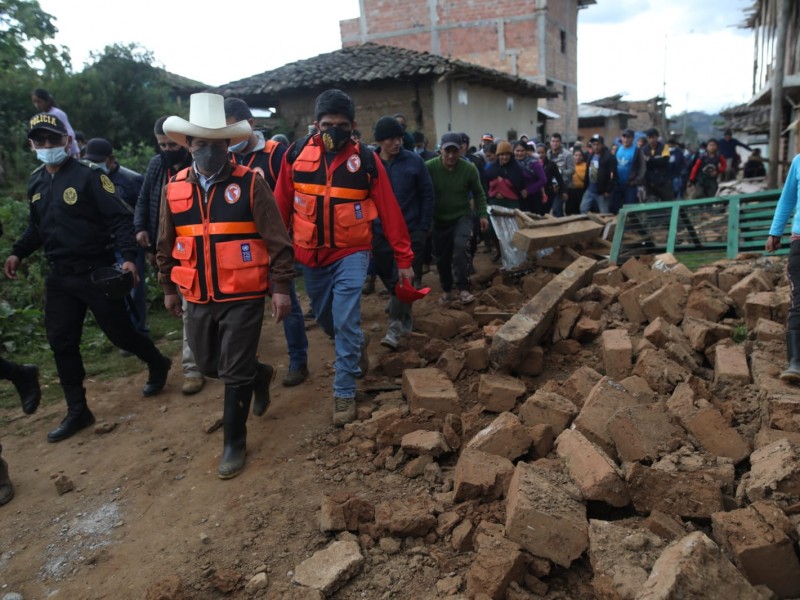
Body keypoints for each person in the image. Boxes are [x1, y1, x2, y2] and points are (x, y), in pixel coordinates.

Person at [4, 113, 172, 443]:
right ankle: (78, 410)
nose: (48, 146)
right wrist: (18, 252)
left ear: (67, 141)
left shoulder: (89, 177)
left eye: (54, 139)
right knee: (61, 342)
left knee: (121, 334)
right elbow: (36, 227)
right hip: (60, 277)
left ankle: (157, 362)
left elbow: (120, 218)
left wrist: (128, 260)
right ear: (32, 145)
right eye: (41, 141)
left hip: (96, 272)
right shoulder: (36, 181)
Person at [157, 93, 294, 478]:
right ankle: (259, 373)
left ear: (227, 145)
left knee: (232, 374)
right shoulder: (175, 187)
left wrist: (280, 286)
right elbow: (165, 241)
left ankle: (234, 443)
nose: (209, 151)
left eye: (217, 145)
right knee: (208, 364)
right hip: (197, 293)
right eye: (201, 144)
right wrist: (168, 286)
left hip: (244, 293)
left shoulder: (251, 183)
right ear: (189, 146)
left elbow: (278, 240)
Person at [273, 89, 414, 427]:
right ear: (314, 124)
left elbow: (390, 211)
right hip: (310, 255)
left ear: (352, 126)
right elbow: (279, 209)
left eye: (340, 125)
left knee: (346, 316)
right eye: (326, 125)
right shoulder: (294, 156)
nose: (332, 131)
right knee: (327, 320)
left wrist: (404, 258)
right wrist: (276, 261)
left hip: (352, 251)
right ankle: (355, 343)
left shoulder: (366, 160)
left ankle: (344, 391)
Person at [224, 97, 309, 387]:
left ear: (249, 124)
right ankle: (251, 367)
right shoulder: (226, 159)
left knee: (287, 304)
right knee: (243, 312)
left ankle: (298, 360)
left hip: (274, 247)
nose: (228, 138)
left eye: (232, 130)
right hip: (240, 250)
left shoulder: (276, 154)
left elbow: (295, 194)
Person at [134, 117, 205, 395]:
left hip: (197, 247)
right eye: (161, 145)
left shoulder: (198, 164)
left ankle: (212, 358)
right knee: (188, 310)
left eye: (170, 144)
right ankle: (192, 368)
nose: (166, 149)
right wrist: (141, 228)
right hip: (168, 247)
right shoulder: (156, 165)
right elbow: (144, 199)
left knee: (199, 306)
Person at [371, 116, 435, 349]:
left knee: (404, 276)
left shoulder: (414, 162)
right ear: (380, 141)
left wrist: (423, 227)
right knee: (387, 274)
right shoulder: (370, 164)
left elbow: (427, 195)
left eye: (399, 138)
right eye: (391, 139)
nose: (397, 143)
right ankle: (401, 306)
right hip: (379, 232)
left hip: (410, 231)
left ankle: (395, 324)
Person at [84, 138, 148, 336]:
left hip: (128, 242)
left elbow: (144, 209)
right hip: (104, 243)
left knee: (133, 286)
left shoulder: (131, 180)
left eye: (99, 160)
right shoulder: (88, 179)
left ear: (110, 159)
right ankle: (124, 331)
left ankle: (138, 330)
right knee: (110, 289)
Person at [426, 132, 488, 304]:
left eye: (455, 151)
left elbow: (479, 193)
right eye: (448, 151)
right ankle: (447, 290)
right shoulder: (430, 167)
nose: (451, 156)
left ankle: (463, 288)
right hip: (439, 219)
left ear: (461, 150)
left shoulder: (469, 169)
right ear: (441, 151)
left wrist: (483, 215)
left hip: (462, 216)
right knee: (442, 256)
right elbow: (421, 192)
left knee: (461, 249)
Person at [766, 152, 800, 382]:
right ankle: (795, 362)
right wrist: (775, 231)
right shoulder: (799, 161)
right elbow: (787, 198)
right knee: (799, 299)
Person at [31, 89, 81, 158]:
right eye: (34, 102)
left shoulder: (57, 113)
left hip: (68, 151)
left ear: (47, 101)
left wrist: (66, 147)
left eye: (39, 102)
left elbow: (70, 132)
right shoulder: (42, 116)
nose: (37, 105)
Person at [610, 129, 645, 214]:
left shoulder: (637, 151)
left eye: (628, 137)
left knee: (629, 209)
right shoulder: (618, 149)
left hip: (630, 185)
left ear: (632, 138)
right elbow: (613, 164)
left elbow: (642, 168)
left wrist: (635, 181)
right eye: (624, 137)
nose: (626, 139)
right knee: (614, 207)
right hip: (617, 183)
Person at [579, 134, 616, 214]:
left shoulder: (609, 157)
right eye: (594, 144)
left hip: (602, 192)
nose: (595, 147)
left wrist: (608, 190)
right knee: (583, 208)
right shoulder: (591, 156)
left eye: (598, 144)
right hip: (590, 189)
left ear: (602, 145)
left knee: (604, 213)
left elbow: (613, 175)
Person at [547, 133, 575, 217]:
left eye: (557, 141)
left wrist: (560, 172)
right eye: (553, 141)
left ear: (560, 142)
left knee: (557, 208)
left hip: (563, 184)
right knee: (550, 209)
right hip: (550, 184)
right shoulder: (548, 153)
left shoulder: (567, 154)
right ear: (550, 142)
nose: (555, 143)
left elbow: (572, 170)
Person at [642, 128, 673, 202]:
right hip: (650, 183)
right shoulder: (644, 149)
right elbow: (644, 164)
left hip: (664, 181)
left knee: (667, 203)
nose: (651, 140)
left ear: (657, 137)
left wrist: (649, 160)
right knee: (652, 204)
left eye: (653, 137)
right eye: (649, 138)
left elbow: (664, 161)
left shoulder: (664, 147)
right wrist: (656, 161)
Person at [566, 149, 587, 215]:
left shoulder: (586, 165)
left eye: (580, 155)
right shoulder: (569, 165)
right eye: (576, 155)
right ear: (573, 156)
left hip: (581, 191)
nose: (578, 157)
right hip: (571, 190)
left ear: (582, 157)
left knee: (580, 209)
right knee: (569, 210)